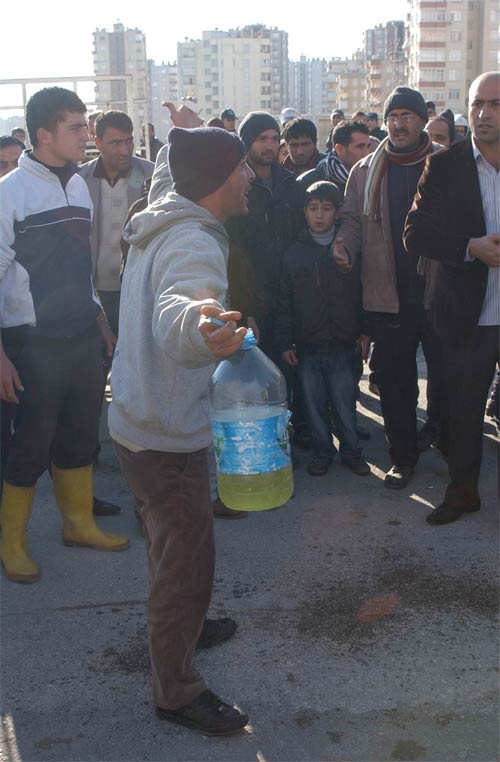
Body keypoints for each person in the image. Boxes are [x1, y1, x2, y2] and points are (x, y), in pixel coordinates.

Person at [109, 125, 253, 735]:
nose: (250, 177)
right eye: (242, 167)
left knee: (170, 548)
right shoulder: (193, 241)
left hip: (135, 418)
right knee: (185, 566)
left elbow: (172, 164)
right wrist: (203, 328)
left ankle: (185, 627)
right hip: (166, 435)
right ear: (221, 180)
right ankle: (177, 689)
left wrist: (186, 128)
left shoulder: (164, 213)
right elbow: (181, 307)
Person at [0, 87, 129, 584]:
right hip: (31, 343)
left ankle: (78, 524)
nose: (86, 135)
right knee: (30, 445)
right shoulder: (11, 193)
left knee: (79, 436)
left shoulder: (77, 186)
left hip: (81, 336)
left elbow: (81, 268)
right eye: (76, 128)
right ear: (44, 135)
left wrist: (100, 320)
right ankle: (11, 541)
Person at [334, 86, 444, 489]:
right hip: (387, 295)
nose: (399, 124)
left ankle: (444, 439)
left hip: (440, 294)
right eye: (393, 116)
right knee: (396, 384)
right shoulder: (365, 170)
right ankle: (404, 457)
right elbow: (352, 220)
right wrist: (344, 244)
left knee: (448, 378)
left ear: (421, 121)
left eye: (407, 115)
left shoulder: (446, 164)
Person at [404, 71, 500, 524]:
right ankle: (462, 493)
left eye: (495, 105)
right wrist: (470, 248)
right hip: (469, 313)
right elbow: (416, 233)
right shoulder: (445, 165)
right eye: (478, 103)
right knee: (464, 410)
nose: (483, 114)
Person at [275, 181, 369, 477]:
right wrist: (286, 342)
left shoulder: (348, 249)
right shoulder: (293, 254)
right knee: (313, 406)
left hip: (343, 342)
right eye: (313, 209)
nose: (319, 215)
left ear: (337, 212)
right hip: (308, 345)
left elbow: (363, 292)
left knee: (344, 403)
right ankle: (322, 452)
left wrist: (365, 330)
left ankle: (352, 452)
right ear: (304, 212)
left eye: (326, 209)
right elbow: (284, 302)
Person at [226, 111, 304, 359]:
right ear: (247, 142)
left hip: (288, 299)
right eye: (262, 139)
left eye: (273, 138)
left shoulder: (290, 184)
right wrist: (243, 308)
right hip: (250, 298)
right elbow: (235, 252)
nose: (269, 145)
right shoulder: (236, 187)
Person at [79, 110, 154, 336]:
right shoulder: (79, 180)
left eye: (129, 140)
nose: (125, 150)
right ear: (97, 142)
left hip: (141, 288)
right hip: (96, 292)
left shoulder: (149, 175)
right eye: (115, 143)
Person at [298, 122, 371, 198]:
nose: (367, 153)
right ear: (340, 149)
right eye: (360, 147)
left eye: (368, 146)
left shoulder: (373, 178)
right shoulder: (309, 182)